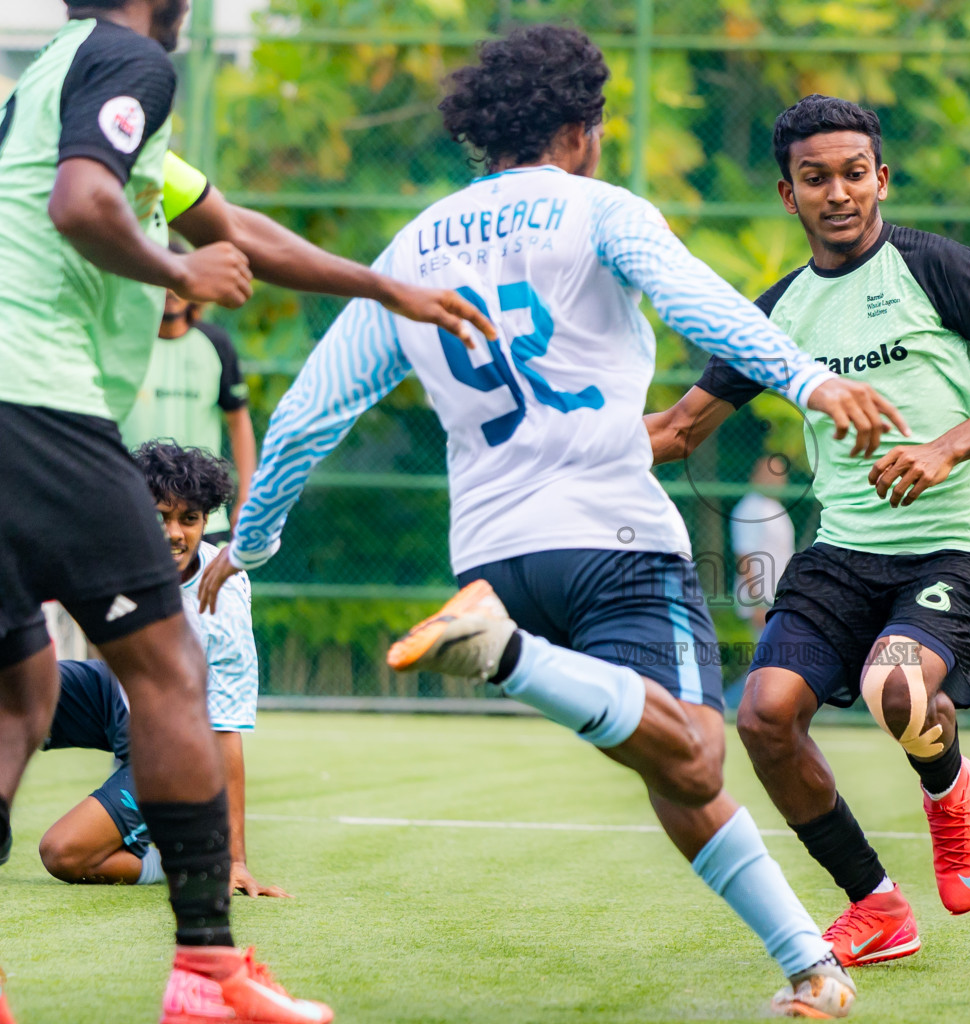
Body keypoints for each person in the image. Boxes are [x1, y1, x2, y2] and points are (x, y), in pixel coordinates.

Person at [197, 25, 905, 1020]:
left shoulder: (412, 245)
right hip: (614, 536)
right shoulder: (600, 208)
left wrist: (252, 539)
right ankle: (504, 655)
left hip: (494, 552)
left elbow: (316, 405)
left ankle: (809, 968)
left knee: (670, 764)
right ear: (580, 130)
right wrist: (809, 378)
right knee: (698, 752)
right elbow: (699, 301)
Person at [0, 3, 493, 1021]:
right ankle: (208, 977)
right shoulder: (130, 57)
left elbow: (237, 228)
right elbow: (83, 203)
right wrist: (179, 270)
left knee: (19, 697)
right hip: (39, 405)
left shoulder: (55, 77)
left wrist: (384, 288)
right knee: (175, 670)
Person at [645, 95, 970, 968]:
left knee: (897, 687)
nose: (837, 193)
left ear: (881, 178)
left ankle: (947, 788)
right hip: (842, 550)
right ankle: (876, 904)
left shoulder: (936, 267)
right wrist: (561, 436)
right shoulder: (779, 312)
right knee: (764, 716)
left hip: (953, 538)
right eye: (815, 178)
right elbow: (681, 430)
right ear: (787, 194)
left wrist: (945, 449)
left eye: (852, 173)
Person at [38, 441, 283, 897]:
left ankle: (165, 859)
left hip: (177, 746)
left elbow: (225, 732)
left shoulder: (221, 604)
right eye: (159, 517)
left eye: (188, 519)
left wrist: (232, 862)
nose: (173, 532)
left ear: (205, 521)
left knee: (64, 852)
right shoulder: (114, 555)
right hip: (120, 696)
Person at [121, 249, 256, 543]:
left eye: (179, 278)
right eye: (161, 278)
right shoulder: (124, 343)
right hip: (134, 512)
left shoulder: (215, 343)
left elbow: (239, 420)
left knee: (208, 590)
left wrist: (247, 494)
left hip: (202, 516)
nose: (170, 289)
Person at [732, 454, 799, 636]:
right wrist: (757, 604)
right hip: (762, 603)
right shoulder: (750, 508)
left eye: (780, 474)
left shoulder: (775, 507)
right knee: (765, 659)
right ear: (756, 476)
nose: (777, 479)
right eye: (770, 473)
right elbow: (744, 556)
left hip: (780, 599)